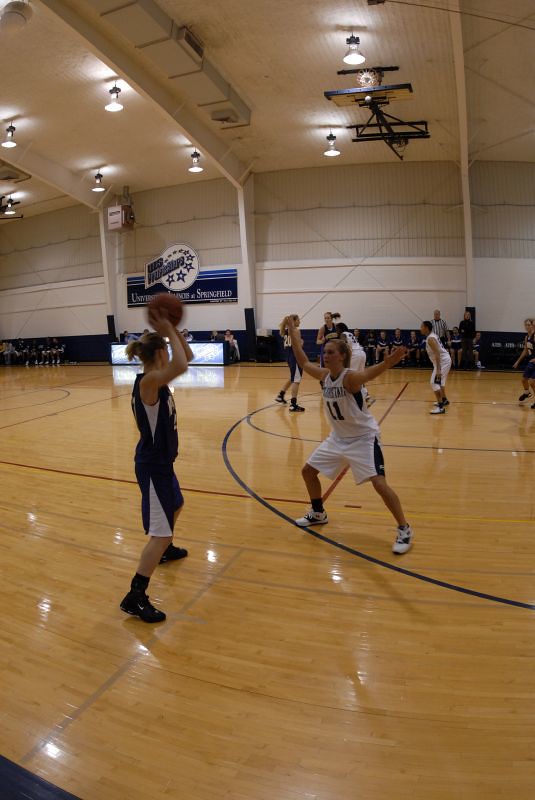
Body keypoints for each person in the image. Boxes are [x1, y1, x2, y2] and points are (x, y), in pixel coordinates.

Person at [284, 316, 413, 554]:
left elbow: (369, 374)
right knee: (308, 472)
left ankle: (404, 528)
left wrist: (388, 363)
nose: (326, 355)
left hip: (363, 438)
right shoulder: (324, 376)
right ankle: (318, 513)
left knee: (379, 484)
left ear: (342, 356)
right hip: (338, 438)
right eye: (325, 352)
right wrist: (292, 331)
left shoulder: (350, 377)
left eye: (331, 352)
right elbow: (302, 360)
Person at [119, 311, 194, 623]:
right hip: (152, 466)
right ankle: (135, 596)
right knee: (159, 534)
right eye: (167, 349)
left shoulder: (157, 380)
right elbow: (182, 364)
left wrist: (171, 331)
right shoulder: (149, 382)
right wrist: (168, 330)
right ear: (161, 353)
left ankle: (166, 548)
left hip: (162, 463)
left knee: (176, 504)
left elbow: (187, 358)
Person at [421, 320, 452, 414]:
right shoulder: (432, 335)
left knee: (434, 383)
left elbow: (437, 354)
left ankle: (441, 407)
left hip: (443, 362)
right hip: (444, 361)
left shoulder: (430, 339)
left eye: (421, 327)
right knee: (440, 382)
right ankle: (444, 400)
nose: (420, 329)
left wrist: (438, 369)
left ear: (426, 328)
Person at [275, 314, 305, 412]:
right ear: (294, 321)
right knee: (296, 380)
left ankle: (281, 394)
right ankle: (293, 404)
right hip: (295, 358)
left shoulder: (286, 331)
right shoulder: (296, 331)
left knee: (293, 377)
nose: (300, 321)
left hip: (288, 357)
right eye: (298, 320)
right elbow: (298, 347)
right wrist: (302, 342)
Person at [513, 319, 535, 403]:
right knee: (524, 379)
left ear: (532, 326)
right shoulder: (526, 337)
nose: (527, 326)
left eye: (529, 325)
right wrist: (517, 361)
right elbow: (525, 350)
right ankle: (527, 393)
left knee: (532, 382)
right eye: (526, 325)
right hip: (531, 362)